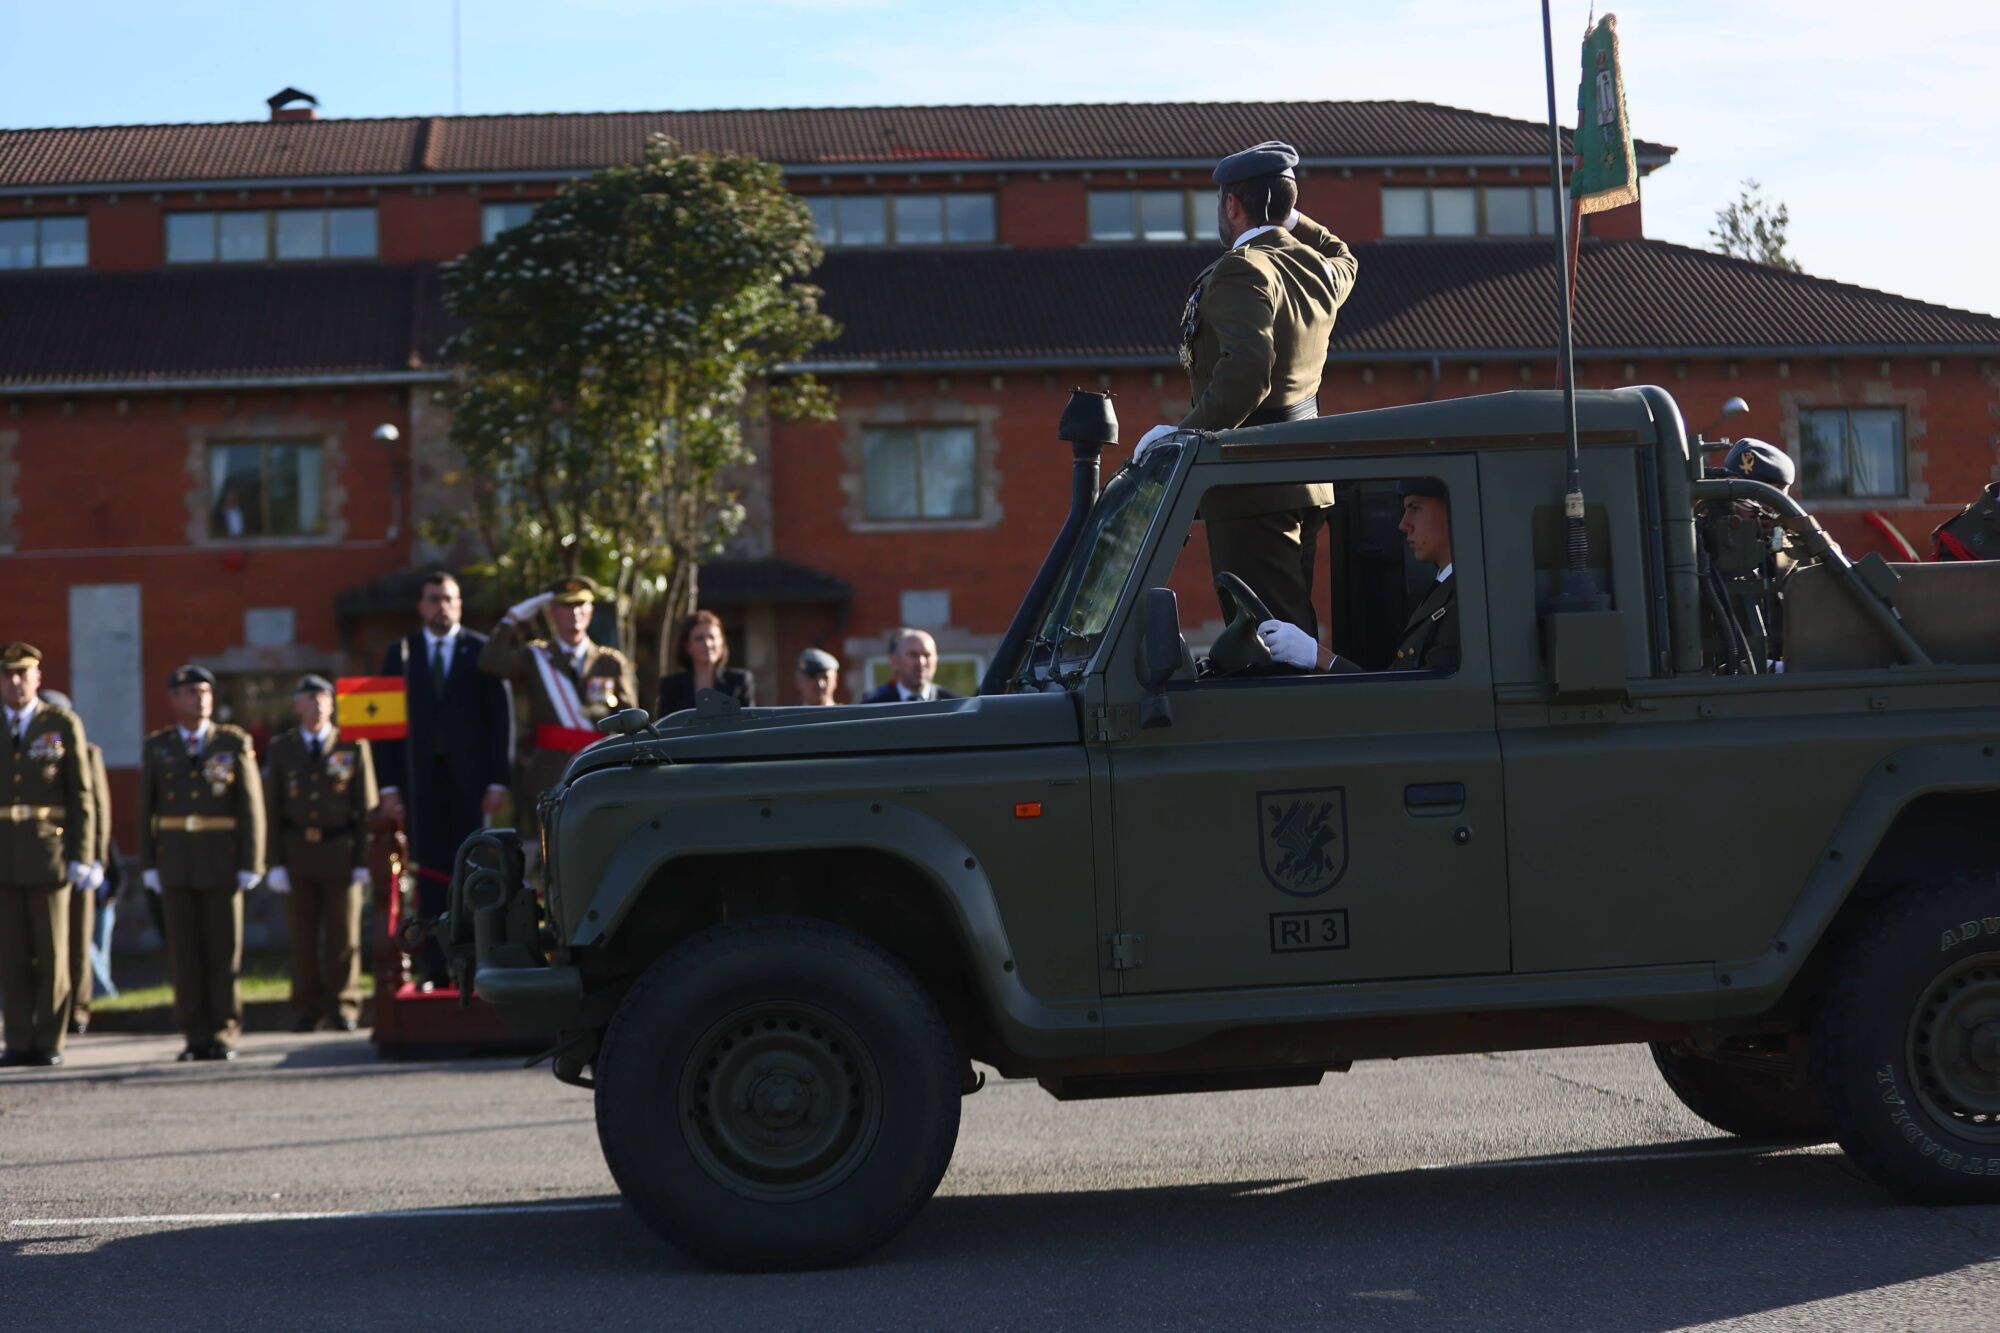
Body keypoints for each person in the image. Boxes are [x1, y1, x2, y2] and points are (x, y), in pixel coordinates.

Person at [1133, 139, 1359, 640]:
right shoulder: (1318, 271)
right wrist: (1288, 216)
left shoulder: (1243, 268)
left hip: (1251, 483)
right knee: (1286, 631)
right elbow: (1344, 254)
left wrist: (1181, 440)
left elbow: (1247, 373)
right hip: (1302, 480)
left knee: (1268, 642)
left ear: (1231, 204)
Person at [373, 572, 512, 989]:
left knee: (472, 876)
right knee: (429, 876)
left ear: (460, 604)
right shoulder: (400, 653)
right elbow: (383, 727)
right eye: (434, 599)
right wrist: (388, 788)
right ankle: (433, 966)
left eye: (449, 599)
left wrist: (498, 781)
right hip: (419, 785)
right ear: (420, 606)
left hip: (469, 785)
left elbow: (500, 720)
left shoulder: (481, 650)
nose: (442, 607)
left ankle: (471, 966)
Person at [138, 665, 265, 1062]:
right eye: (192, 692)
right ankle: (194, 1034)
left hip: (221, 861)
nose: (201, 699)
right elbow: (145, 810)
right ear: (173, 699)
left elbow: (251, 806)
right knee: (185, 953)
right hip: (175, 862)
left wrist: (251, 861)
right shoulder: (159, 747)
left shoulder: (232, 742)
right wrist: (148, 864)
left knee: (223, 951)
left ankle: (224, 1031)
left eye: (206, 691)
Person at [263, 675, 376, 1033]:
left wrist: (363, 860)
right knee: (303, 937)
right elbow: (272, 809)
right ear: (296, 705)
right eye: (309, 698)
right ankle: (306, 1008)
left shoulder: (353, 745)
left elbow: (366, 806)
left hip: (340, 852)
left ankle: (344, 1006)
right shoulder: (282, 748)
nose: (317, 705)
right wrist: (274, 862)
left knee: (344, 937)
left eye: (323, 698)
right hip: (297, 852)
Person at [481, 575, 639, 833]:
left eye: (581, 605)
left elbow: (631, 718)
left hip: (598, 766)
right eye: (566, 606)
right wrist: (511, 619)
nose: (574, 612)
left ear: (591, 610)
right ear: (553, 612)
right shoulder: (536, 657)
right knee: (552, 846)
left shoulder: (611, 662)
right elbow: (490, 662)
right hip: (550, 770)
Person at [0, 644, 95, 1068]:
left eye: (23, 673)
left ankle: (50, 1039)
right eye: (7, 674)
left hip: (49, 852)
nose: (15, 682)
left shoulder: (60, 723)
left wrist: (83, 854)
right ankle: (18, 1039)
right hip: (4, 854)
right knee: (12, 954)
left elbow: (81, 794)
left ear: (39, 678)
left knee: (53, 951)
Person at [1258, 479, 1457, 674]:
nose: (1404, 524)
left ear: (1453, 509)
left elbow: (1418, 701)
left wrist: (1318, 656)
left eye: (1415, 508)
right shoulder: (1444, 590)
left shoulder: (1464, 603)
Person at [36, 689, 109, 1036]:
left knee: (78, 940)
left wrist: (96, 858)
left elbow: (96, 808)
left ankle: (78, 1007)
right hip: (45, 858)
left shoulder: (87, 753)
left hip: (77, 858)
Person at [656, 610, 756, 714]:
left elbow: (749, 723)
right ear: (687, 646)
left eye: (712, 637)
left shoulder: (739, 681)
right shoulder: (671, 686)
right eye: (699, 639)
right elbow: (665, 727)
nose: (708, 644)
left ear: (722, 642)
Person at [863, 628, 960, 703]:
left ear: (936, 660)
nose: (921, 662)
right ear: (894, 660)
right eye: (913, 655)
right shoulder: (873, 708)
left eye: (927, 655)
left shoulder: (956, 705)